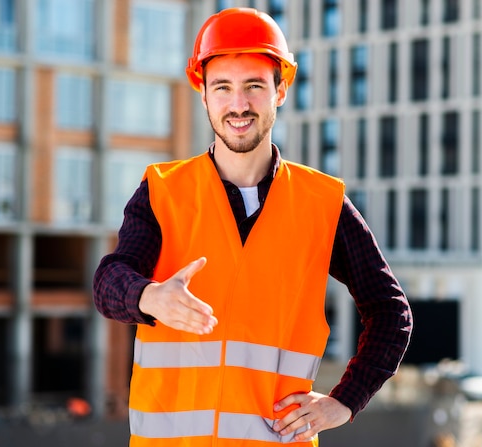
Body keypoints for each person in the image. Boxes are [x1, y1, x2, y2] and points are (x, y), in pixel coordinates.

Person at [93, 7, 412, 447]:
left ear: (280, 90)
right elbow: (108, 282)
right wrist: (150, 296)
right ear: (202, 93)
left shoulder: (323, 202)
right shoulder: (162, 190)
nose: (238, 104)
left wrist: (345, 402)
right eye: (222, 87)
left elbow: (392, 313)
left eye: (254, 87)